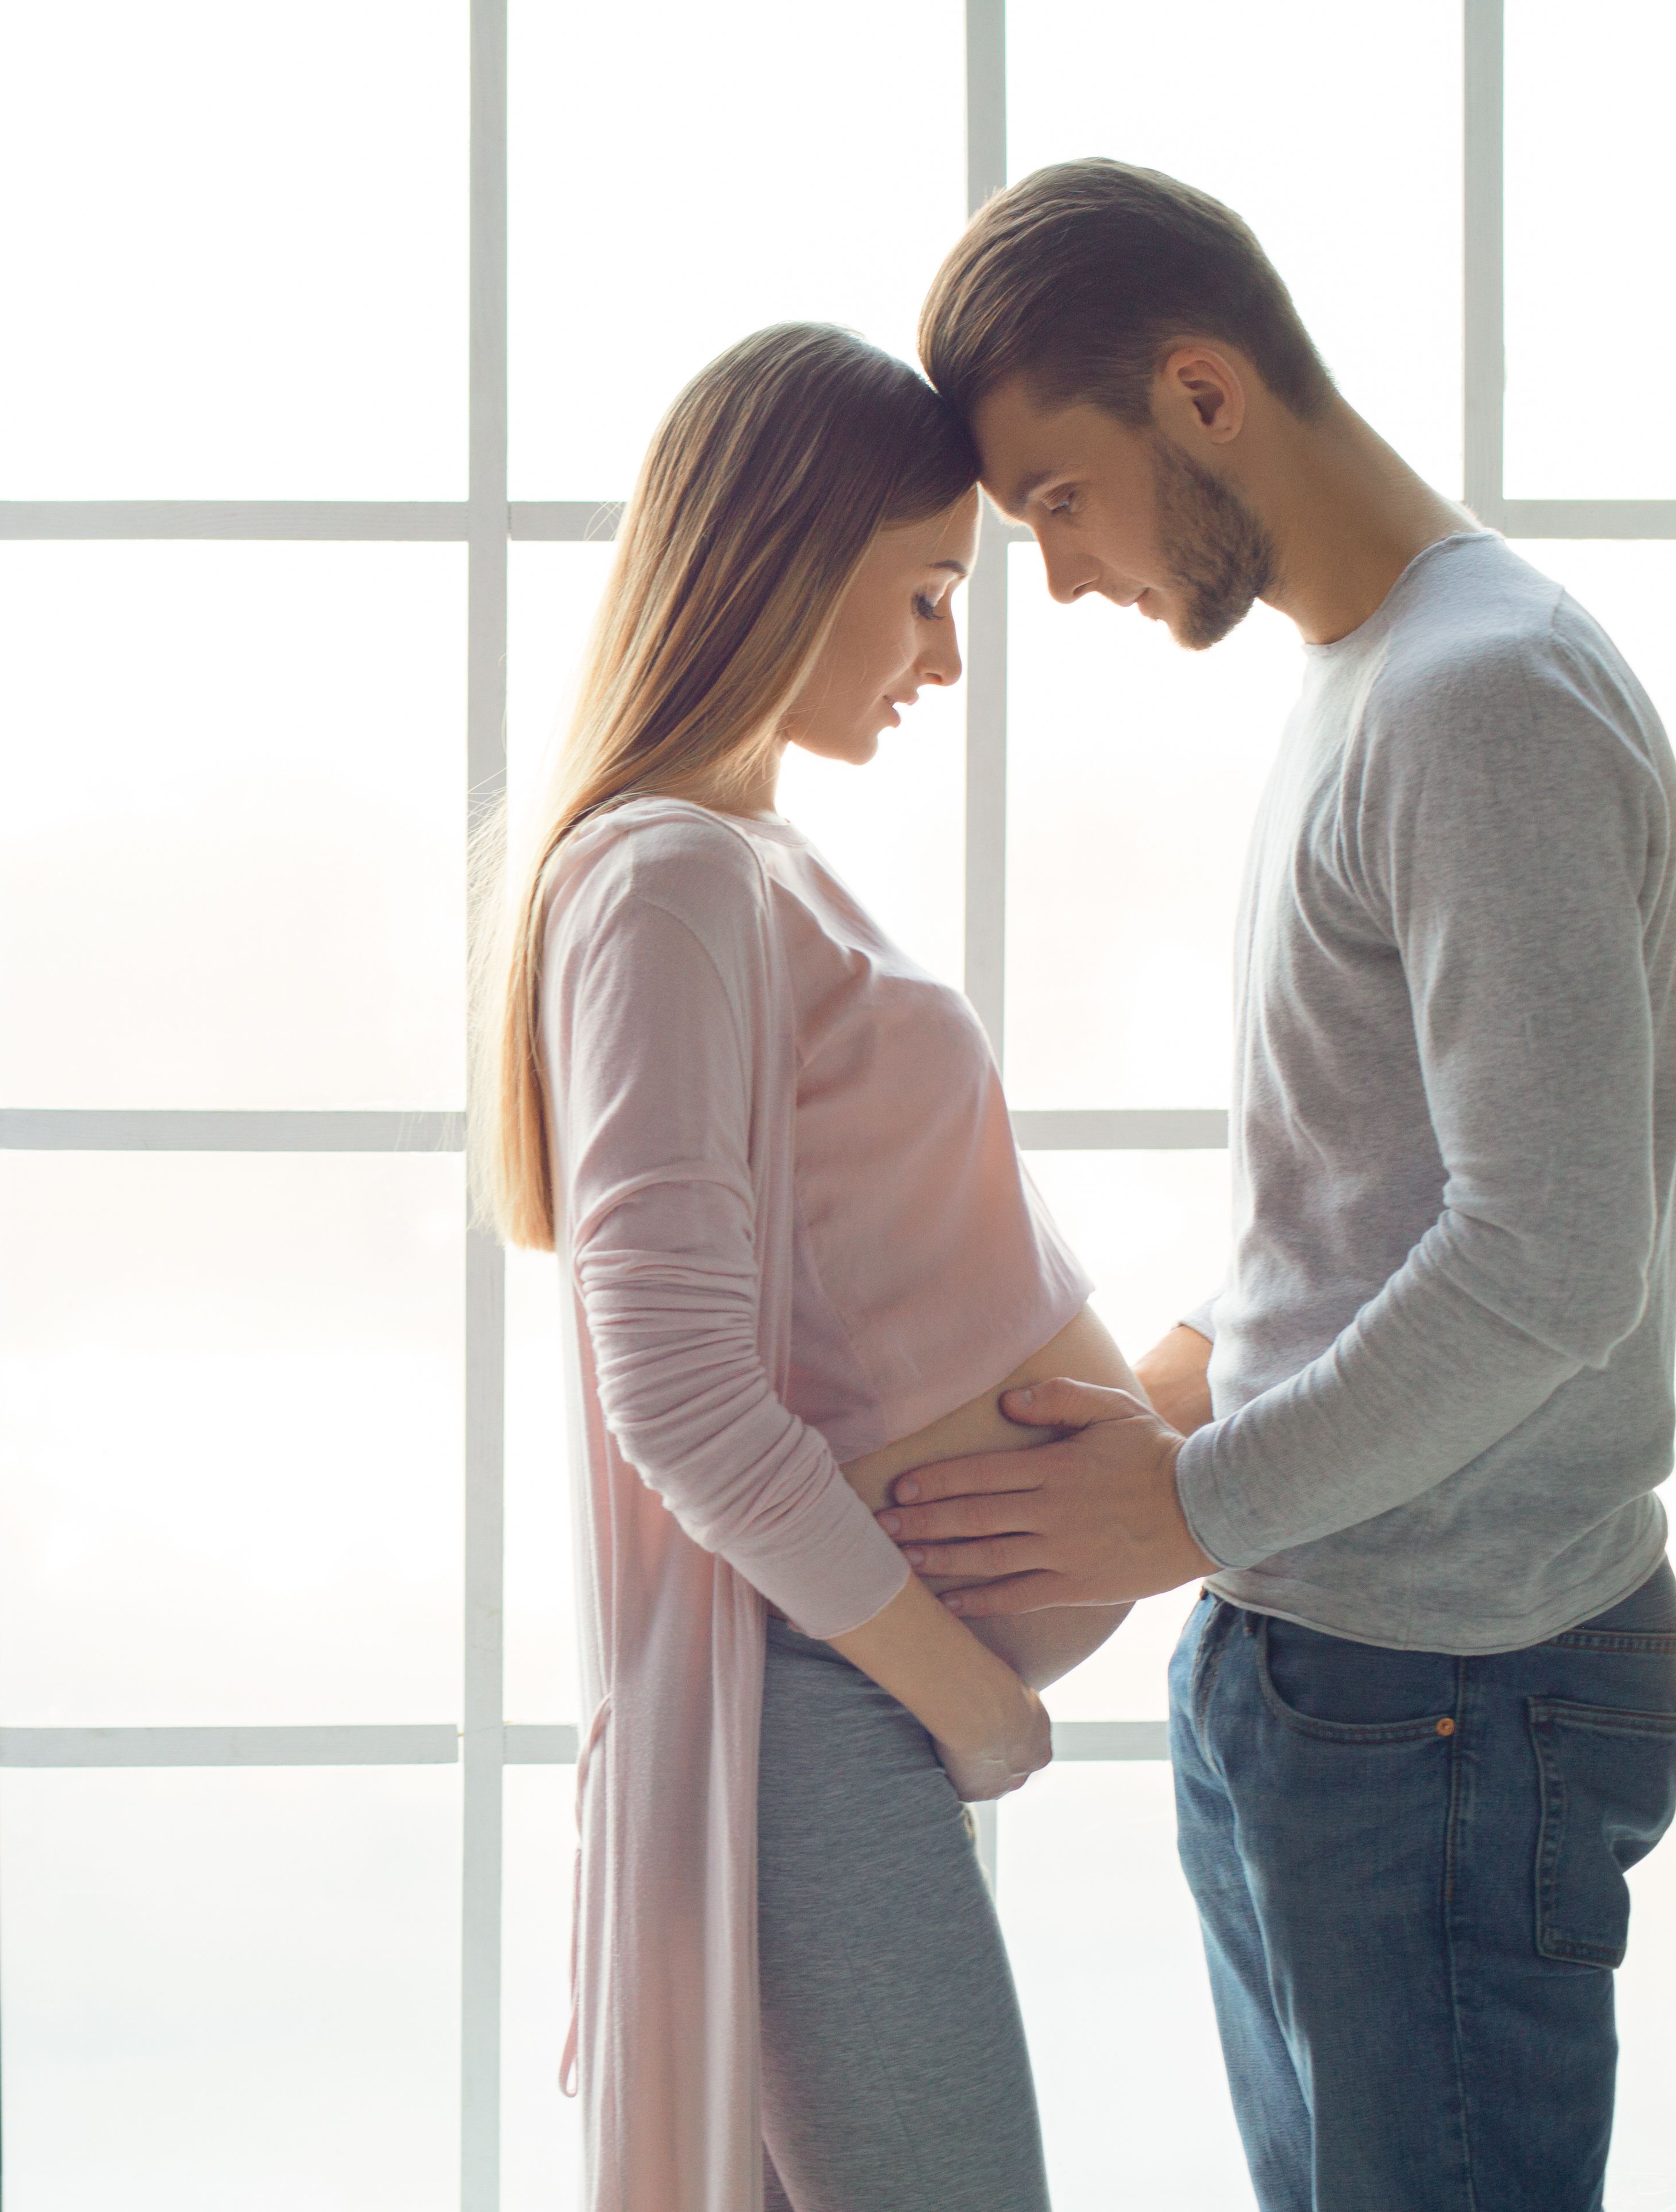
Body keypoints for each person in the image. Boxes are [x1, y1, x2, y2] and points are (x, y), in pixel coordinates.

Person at [883, 160, 1676, 2210]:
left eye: (1061, 499)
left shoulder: (1477, 700)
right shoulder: (1381, 683)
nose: (1054, 581)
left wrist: (1188, 1499)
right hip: (1339, 1682)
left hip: (1445, 1708)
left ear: (1204, 393)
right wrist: (1161, 1397)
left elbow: (1549, 1255)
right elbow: (1368, 1209)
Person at [474, 321, 1139, 2212]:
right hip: (832, 1715)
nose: (946, 654)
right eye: (927, 594)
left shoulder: (747, 855)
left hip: (850, 1719)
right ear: (784, 558)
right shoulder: (673, 875)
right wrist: (961, 1694)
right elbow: (673, 1387)